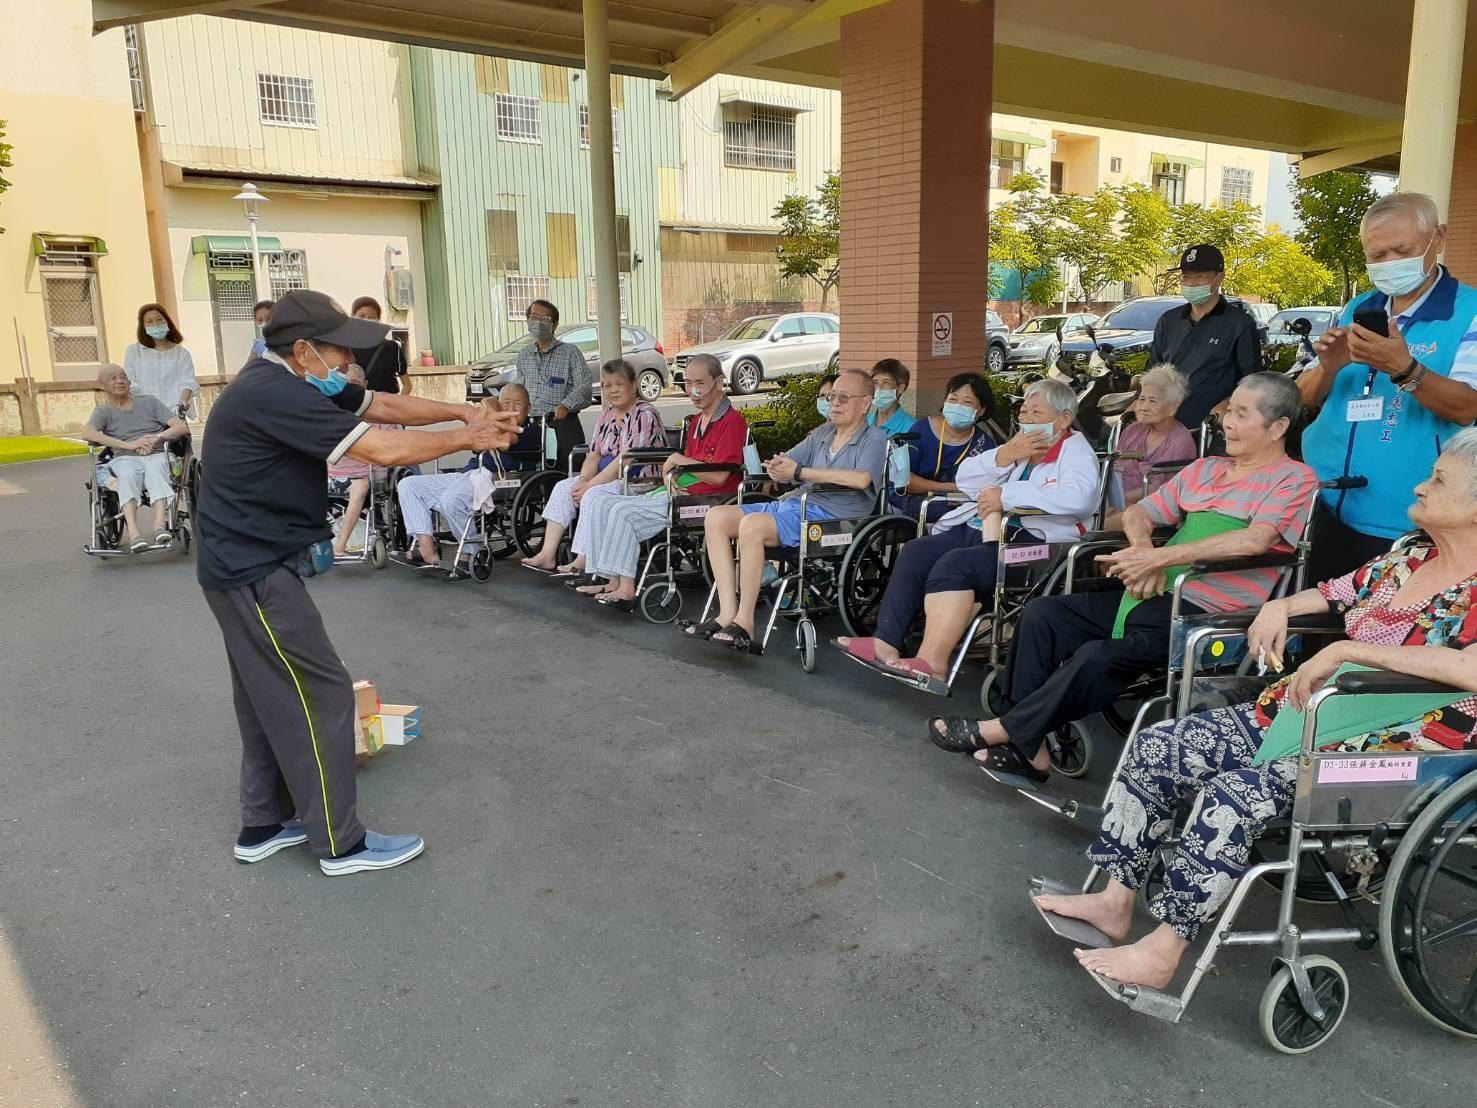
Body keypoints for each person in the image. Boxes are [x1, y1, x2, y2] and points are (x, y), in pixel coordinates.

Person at [1036, 435, 1477, 990]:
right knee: (1160, 745)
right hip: (1315, 711)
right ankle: (1114, 900)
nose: (1420, 485)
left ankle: (1165, 948)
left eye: (1437, 479)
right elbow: (1336, 592)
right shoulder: (1411, 554)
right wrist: (1281, 605)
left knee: (1235, 795)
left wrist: (1347, 650)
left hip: (1407, 744)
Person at [195, 289, 520, 877]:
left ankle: (263, 823)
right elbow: (381, 446)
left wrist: (465, 413)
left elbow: (381, 406)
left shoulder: (293, 379)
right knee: (323, 695)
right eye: (339, 349)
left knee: (265, 697)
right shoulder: (275, 394)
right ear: (302, 350)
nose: (347, 360)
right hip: (254, 571)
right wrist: (467, 439)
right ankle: (341, 844)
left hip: (242, 567)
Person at [927, 373, 1319, 783]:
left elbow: (1255, 539)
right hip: (1152, 591)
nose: (1227, 422)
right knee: (1043, 615)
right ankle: (1031, 748)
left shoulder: (1294, 478)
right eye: (1228, 411)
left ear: (1277, 427)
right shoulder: (1206, 468)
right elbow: (1138, 512)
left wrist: (1160, 559)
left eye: (1242, 414)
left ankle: (1003, 731)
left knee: (1097, 656)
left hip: (1209, 612)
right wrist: (1145, 552)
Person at [835, 378, 1098, 686]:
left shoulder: (1076, 454)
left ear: (1064, 419)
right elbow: (966, 479)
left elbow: (1079, 499)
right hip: (982, 528)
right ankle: (885, 642)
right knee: (918, 551)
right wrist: (1004, 456)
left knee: (955, 565)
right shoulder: (1019, 448)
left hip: (1033, 546)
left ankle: (932, 662)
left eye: (1035, 413)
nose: (1025, 419)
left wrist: (1008, 496)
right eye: (1023, 411)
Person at [1299, 191, 1477, 584]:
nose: (1390, 264)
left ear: (1439, 239)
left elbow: (1468, 407)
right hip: (1324, 504)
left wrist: (1404, 368)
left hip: (1409, 520)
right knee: (1312, 627)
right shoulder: (1359, 308)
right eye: (1377, 256)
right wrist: (1327, 368)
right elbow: (1304, 397)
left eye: (1402, 250)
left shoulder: (1469, 313)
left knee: (1377, 634)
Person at [695, 368, 887, 652]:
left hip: (833, 517)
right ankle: (726, 613)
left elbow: (861, 479)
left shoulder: (874, 439)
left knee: (752, 525)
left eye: (843, 397)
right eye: (833, 396)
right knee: (716, 517)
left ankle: (745, 621)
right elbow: (790, 461)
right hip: (796, 506)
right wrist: (778, 468)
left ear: (865, 403)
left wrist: (802, 472)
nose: (834, 402)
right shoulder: (823, 433)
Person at [576, 354, 748, 609]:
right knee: (604, 503)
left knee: (623, 511)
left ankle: (626, 588)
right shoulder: (697, 421)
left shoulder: (732, 422)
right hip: (682, 489)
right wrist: (673, 475)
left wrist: (678, 462)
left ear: (719, 382)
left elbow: (719, 475)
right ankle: (611, 580)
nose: (693, 390)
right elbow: (690, 466)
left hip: (711, 499)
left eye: (699, 382)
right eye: (688, 383)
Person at [519, 359, 667, 574]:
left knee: (592, 494)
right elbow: (594, 453)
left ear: (633, 384)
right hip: (608, 477)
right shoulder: (607, 415)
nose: (613, 390)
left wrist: (590, 485)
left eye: (619, 384)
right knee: (564, 487)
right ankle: (547, 555)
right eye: (607, 385)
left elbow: (625, 461)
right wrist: (583, 480)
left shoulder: (644, 413)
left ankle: (582, 560)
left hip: (637, 480)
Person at [396, 383, 542, 576]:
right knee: (408, 484)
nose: (510, 408)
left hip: (500, 478)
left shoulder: (532, 431)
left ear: (529, 408)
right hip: (471, 473)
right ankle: (426, 548)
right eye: (505, 403)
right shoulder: (491, 420)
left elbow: (506, 440)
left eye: (517, 404)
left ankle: (471, 552)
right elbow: (487, 402)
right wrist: (490, 406)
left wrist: (491, 414)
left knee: (451, 500)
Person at [78, 364, 190, 552]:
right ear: (102, 385)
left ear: (130, 382)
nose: (120, 380)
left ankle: (159, 526)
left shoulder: (149, 402)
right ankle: (135, 534)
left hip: (156, 453)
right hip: (125, 457)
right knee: (126, 475)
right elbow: (87, 433)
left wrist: (158, 437)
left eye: (123, 376)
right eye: (113, 378)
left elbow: (180, 427)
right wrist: (129, 445)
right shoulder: (104, 411)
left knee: (157, 469)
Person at [1148, 244, 1260, 430]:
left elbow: (1252, 379)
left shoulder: (1240, 323)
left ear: (1219, 278)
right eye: (1186, 277)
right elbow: (1154, 369)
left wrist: (1229, 403)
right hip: (1165, 425)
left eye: (1200, 276)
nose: (1191, 283)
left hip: (1212, 428)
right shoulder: (1168, 321)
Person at [888, 372, 998, 523]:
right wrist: (949, 488)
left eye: (967, 402)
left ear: (981, 410)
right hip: (912, 504)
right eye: (953, 399)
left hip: (960, 510)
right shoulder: (921, 430)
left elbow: (984, 488)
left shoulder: (984, 443)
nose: (958, 406)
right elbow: (905, 481)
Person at [1103, 364, 1197, 529]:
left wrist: (1114, 499)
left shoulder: (1180, 441)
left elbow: (1162, 492)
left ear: (1172, 407)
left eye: (1152, 401)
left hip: (1152, 508)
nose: (1143, 407)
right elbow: (1114, 468)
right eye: (1141, 399)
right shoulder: (1133, 429)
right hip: (1117, 502)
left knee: (1091, 524)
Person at [516, 298, 591, 466]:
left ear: (554, 324)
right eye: (534, 317)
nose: (539, 323)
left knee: (563, 471)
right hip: (531, 424)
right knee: (530, 472)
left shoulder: (570, 352)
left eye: (546, 319)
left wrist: (566, 405)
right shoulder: (524, 354)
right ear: (528, 320)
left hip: (561, 424)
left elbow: (584, 386)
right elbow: (519, 390)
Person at [124, 303, 198, 418]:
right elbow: (130, 382)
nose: (156, 324)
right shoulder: (134, 351)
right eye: (150, 322)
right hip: (145, 415)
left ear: (167, 321)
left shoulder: (182, 354)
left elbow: (188, 382)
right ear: (143, 326)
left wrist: (183, 401)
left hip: (174, 415)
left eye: (159, 319)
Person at [350, 296, 413, 395]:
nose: (366, 320)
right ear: (353, 317)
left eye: (371, 317)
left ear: (378, 320)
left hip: (387, 405)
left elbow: (407, 385)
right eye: (362, 316)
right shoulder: (344, 348)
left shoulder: (392, 347)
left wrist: (397, 404)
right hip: (356, 406)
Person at [867, 358, 915, 437]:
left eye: (886, 382)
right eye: (875, 382)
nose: (879, 388)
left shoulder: (912, 427)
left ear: (900, 388)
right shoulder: (864, 422)